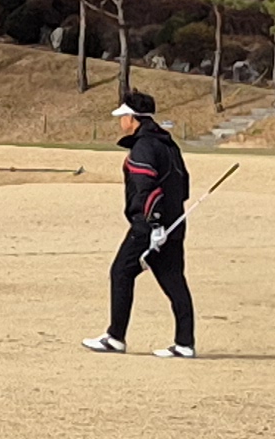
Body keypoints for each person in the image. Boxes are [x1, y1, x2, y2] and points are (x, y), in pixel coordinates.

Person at [83, 89, 195, 358]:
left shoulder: (145, 146)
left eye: (123, 116)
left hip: (149, 228)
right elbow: (184, 187)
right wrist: (166, 223)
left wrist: (154, 224)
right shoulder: (169, 145)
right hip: (174, 225)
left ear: (132, 118)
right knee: (173, 281)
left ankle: (115, 337)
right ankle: (184, 343)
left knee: (121, 272)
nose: (121, 122)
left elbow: (147, 188)